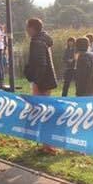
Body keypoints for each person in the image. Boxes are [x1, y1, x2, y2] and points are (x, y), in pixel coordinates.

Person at [23, 18, 57, 153]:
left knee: (41, 113)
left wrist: (36, 82)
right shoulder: (44, 40)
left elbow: (41, 64)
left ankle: (47, 146)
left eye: (27, 27)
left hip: (41, 82)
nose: (26, 30)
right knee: (45, 112)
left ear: (32, 28)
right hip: (47, 80)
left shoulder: (36, 42)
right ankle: (46, 145)